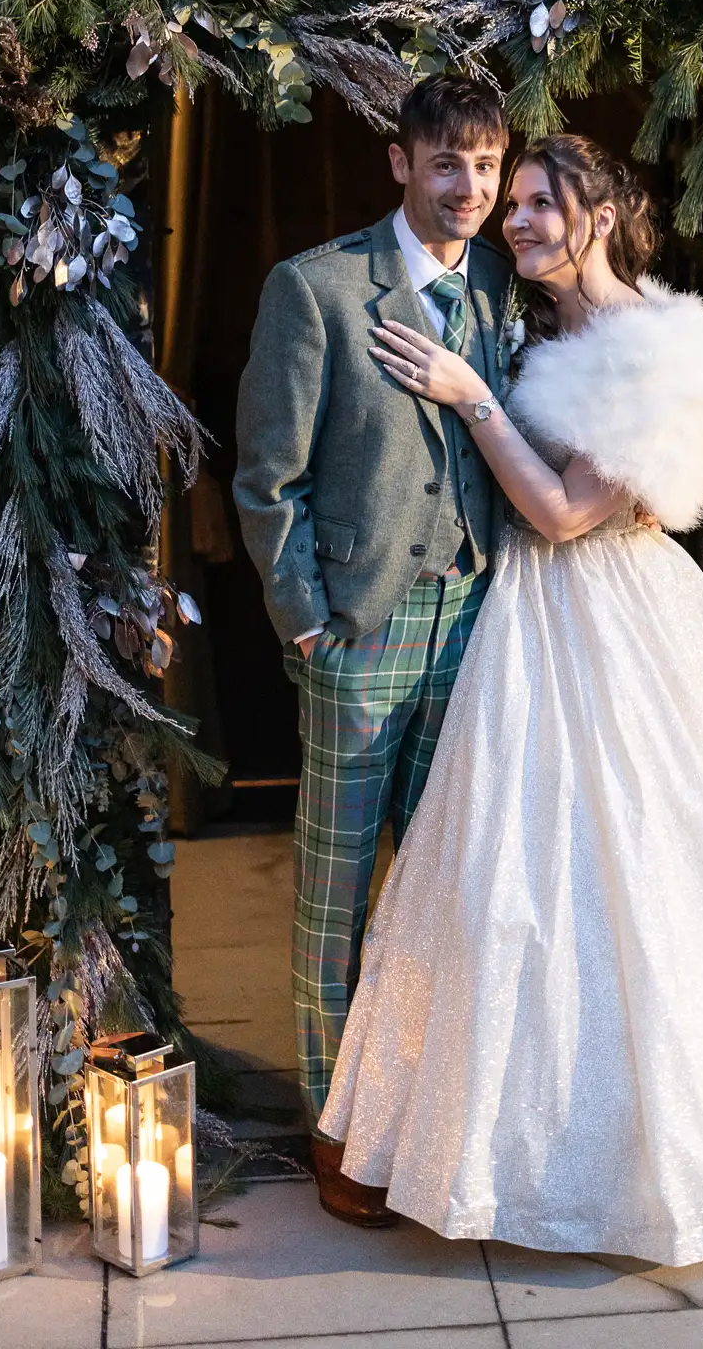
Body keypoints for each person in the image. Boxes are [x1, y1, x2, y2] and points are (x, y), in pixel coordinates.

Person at [319, 133, 703, 1267]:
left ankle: (642, 1159)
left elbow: (562, 512)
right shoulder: (532, 325)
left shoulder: (656, 347)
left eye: (541, 203)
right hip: (522, 618)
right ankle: (486, 1144)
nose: (515, 220)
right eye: (512, 203)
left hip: (613, 616)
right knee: (506, 876)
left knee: (640, 862)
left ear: (601, 215)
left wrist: (469, 399)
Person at [232, 74, 512, 1225]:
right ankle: (338, 1128)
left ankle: (423, 1109)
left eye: (488, 166)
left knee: (448, 881)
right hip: (362, 626)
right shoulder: (318, 287)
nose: (472, 189)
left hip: (477, 621)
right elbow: (265, 477)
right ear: (400, 163)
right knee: (338, 893)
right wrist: (305, 617)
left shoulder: (501, 282)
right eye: (448, 163)